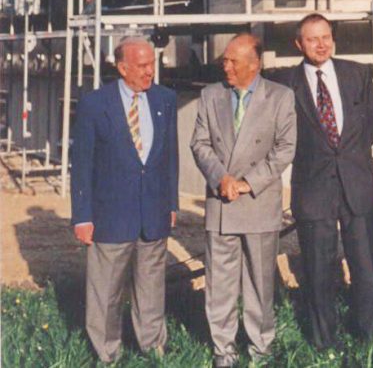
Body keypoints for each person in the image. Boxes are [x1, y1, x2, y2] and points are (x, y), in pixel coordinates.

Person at [270, 13, 373, 349]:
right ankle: (324, 342)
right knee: (318, 270)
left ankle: (371, 338)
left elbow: (372, 123)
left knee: (366, 266)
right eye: (312, 39)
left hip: (356, 184)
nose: (321, 45)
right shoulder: (285, 83)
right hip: (313, 187)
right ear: (298, 44)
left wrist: (347, 157)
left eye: (326, 37)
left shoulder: (357, 74)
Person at [190, 33, 296, 367]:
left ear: (255, 64)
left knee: (260, 283)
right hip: (221, 202)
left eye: (233, 61)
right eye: (225, 60)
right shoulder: (210, 95)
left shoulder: (280, 97)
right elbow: (199, 144)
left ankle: (260, 348)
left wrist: (248, 183)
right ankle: (223, 349)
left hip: (258, 203)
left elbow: (285, 149)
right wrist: (220, 178)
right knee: (219, 284)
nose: (226, 67)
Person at [70, 36, 178, 363]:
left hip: (154, 214)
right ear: (122, 67)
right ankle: (107, 353)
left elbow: (170, 157)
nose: (149, 71)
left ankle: (153, 348)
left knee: (151, 289)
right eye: (142, 66)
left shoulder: (165, 99)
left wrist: (172, 203)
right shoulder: (94, 104)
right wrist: (82, 216)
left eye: (152, 64)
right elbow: (82, 164)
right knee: (106, 292)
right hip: (110, 216)